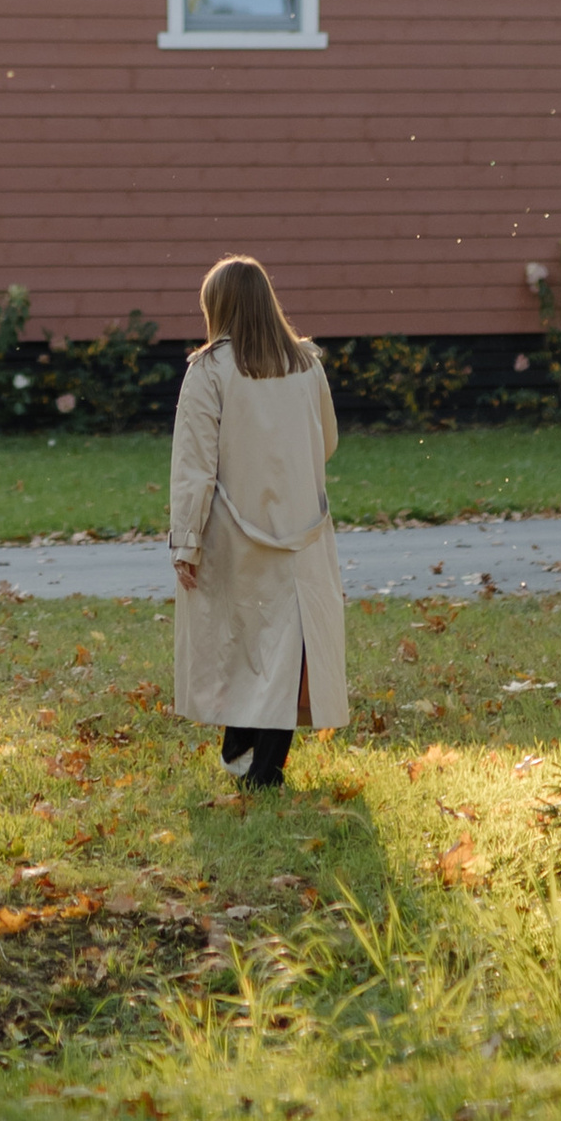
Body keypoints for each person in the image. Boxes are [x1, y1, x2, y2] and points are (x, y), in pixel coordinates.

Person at [169, 256, 349, 786]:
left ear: (217, 308)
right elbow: (328, 443)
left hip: (232, 528)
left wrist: (185, 541)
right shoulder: (307, 366)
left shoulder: (208, 370)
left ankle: (242, 747)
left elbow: (193, 466)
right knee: (286, 646)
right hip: (303, 528)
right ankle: (263, 765)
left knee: (238, 639)